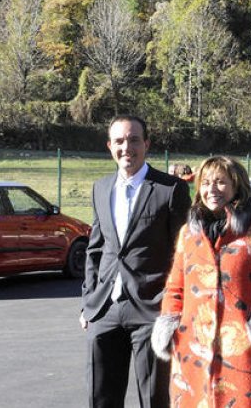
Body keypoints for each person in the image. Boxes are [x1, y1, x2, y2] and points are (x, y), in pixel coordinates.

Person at [152, 156, 251, 408]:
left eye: (220, 182)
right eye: (205, 182)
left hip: (240, 348)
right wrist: (170, 324)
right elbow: (175, 286)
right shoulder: (188, 233)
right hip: (191, 348)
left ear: (237, 185)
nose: (211, 189)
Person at [81, 115, 191, 408]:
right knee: (101, 397)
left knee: (154, 399)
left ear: (146, 144)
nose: (126, 147)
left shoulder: (171, 189)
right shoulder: (100, 189)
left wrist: (175, 308)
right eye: (119, 141)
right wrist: (88, 301)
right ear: (109, 146)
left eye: (133, 140)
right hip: (105, 310)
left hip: (152, 310)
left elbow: (182, 255)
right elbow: (96, 249)